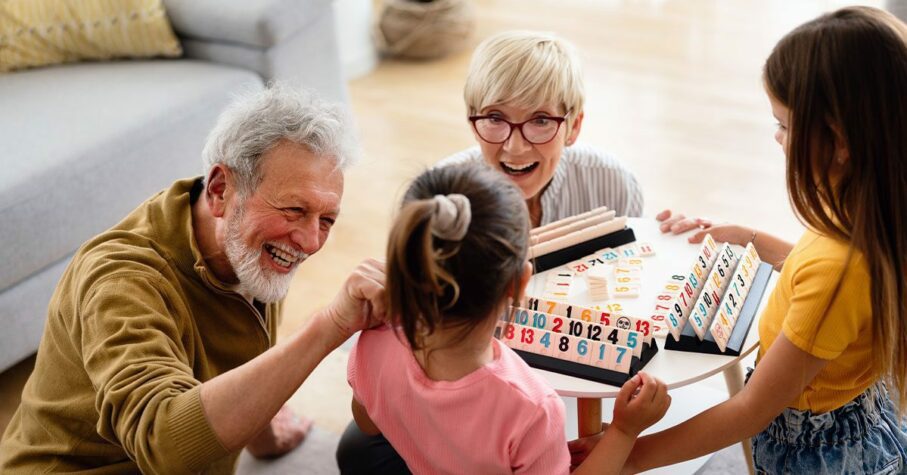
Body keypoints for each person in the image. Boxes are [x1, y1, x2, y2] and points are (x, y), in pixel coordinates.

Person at [573, 6, 907, 473]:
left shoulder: (839, 267)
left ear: (839, 141)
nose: (777, 138)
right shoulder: (862, 204)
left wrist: (629, 455)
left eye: (785, 125)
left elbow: (751, 410)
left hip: (819, 454)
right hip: (849, 418)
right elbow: (826, 279)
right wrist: (747, 238)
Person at [0, 85, 388, 474]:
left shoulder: (250, 242)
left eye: (326, 219)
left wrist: (265, 433)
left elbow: (243, 351)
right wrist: (332, 324)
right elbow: (165, 442)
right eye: (294, 210)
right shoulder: (121, 282)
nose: (310, 241)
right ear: (220, 189)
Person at [342, 163, 670, 474]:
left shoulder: (373, 339)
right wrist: (624, 431)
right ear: (519, 283)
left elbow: (370, 422)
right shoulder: (532, 407)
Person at [438, 31, 644, 227]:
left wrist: (667, 244)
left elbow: (636, 261)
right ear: (473, 123)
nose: (516, 147)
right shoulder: (437, 197)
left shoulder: (615, 185)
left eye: (541, 120)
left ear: (573, 127)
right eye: (495, 118)